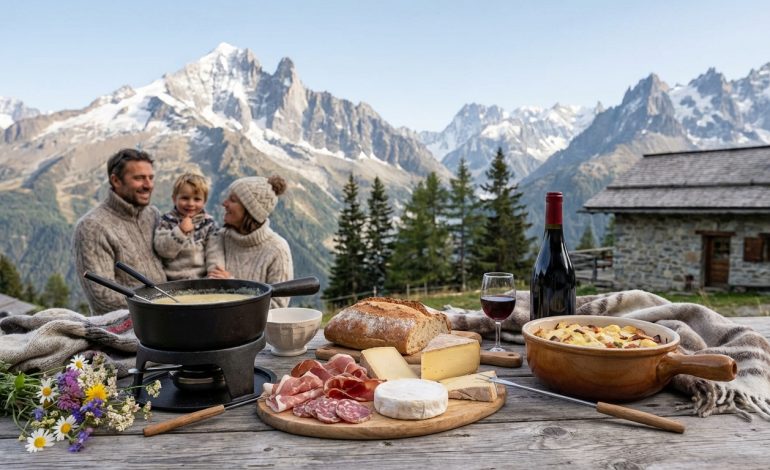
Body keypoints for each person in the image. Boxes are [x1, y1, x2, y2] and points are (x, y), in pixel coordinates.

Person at [72, 148, 167, 314]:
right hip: (124, 329)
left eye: (151, 178)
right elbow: (102, 298)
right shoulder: (92, 227)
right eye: (139, 178)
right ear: (116, 181)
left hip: (171, 317)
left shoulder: (153, 215)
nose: (148, 185)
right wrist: (165, 305)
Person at [208, 175, 293, 308]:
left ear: (250, 211)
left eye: (233, 200)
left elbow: (278, 306)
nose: (224, 203)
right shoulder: (219, 238)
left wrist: (233, 285)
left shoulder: (278, 249)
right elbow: (213, 286)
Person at [154, 172, 222, 280]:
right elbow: (163, 250)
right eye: (185, 198)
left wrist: (213, 275)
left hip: (201, 280)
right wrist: (180, 231)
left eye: (197, 199)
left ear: (204, 201)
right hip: (172, 281)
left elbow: (214, 252)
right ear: (174, 199)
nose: (191, 203)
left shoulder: (209, 223)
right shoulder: (166, 221)